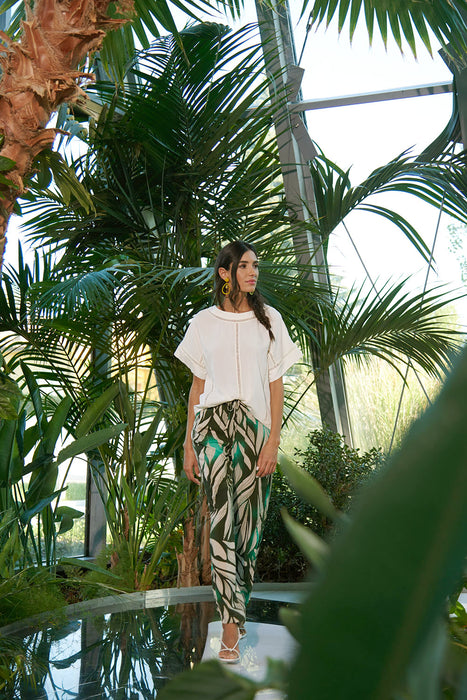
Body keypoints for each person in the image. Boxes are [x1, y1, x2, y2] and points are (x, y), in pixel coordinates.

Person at [174, 240, 301, 663]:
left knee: (248, 528)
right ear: (224, 273)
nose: (252, 272)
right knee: (221, 523)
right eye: (244, 266)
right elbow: (197, 388)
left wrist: (273, 440)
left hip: (254, 431)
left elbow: (276, 386)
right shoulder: (202, 323)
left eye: (255, 266)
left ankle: (237, 610)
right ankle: (230, 624)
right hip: (211, 428)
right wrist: (188, 445)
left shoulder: (270, 321)